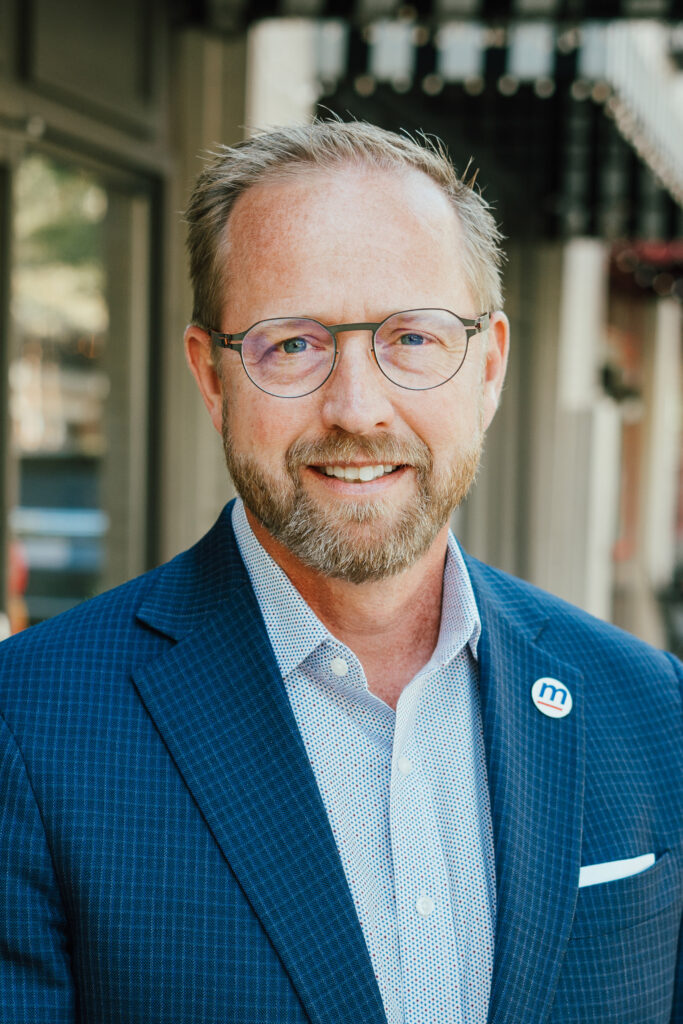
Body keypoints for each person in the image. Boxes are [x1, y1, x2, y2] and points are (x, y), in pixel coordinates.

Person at [0, 120, 681, 1024]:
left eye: (412, 337)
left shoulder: (652, 710)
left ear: (487, 367)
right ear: (211, 377)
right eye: (292, 345)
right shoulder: (31, 727)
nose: (356, 409)